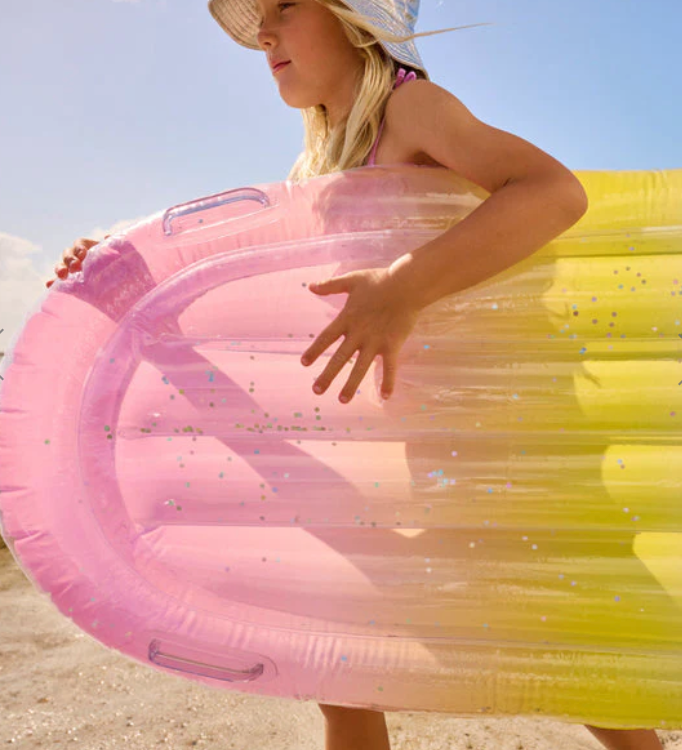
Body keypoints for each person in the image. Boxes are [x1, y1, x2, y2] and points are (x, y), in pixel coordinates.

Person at [44, 1, 666, 749]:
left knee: (577, 666)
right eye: (258, 16)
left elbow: (551, 192)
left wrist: (404, 286)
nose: (265, 32)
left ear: (351, 16)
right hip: (409, 462)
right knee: (342, 674)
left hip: (501, 456)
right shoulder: (322, 170)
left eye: (287, 6)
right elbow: (265, 293)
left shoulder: (414, 108)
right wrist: (129, 270)